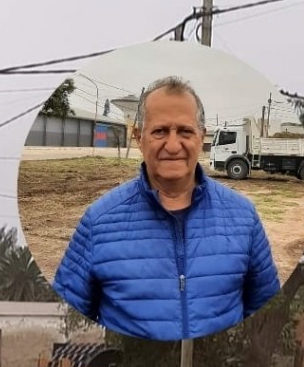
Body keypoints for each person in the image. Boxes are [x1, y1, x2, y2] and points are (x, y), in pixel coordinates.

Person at [51, 75, 281, 342]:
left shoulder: (243, 218)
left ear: (201, 137)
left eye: (185, 131)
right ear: (139, 138)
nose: (173, 146)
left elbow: (266, 312)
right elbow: (70, 312)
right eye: (160, 131)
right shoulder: (98, 222)